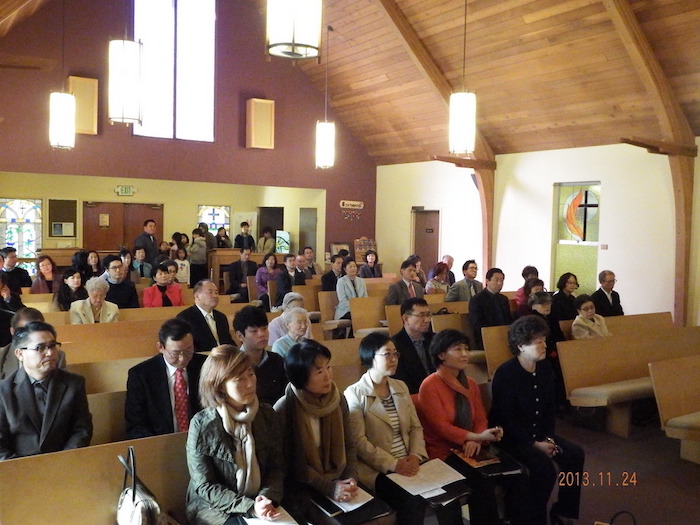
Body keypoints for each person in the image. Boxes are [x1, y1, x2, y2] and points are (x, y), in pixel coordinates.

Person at [345, 333, 460, 525]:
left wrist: (415, 456)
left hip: (411, 462)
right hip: (380, 469)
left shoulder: (400, 386)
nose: (394, 359)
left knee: (450, 492)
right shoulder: (354, 393)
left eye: (395, 354)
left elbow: (415, 427)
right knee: (412, 501)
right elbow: (359, 442)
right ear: (370, 357)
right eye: (387, 354)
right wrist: (394, 464)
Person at [418, 329, 527, 525]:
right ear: (441, 355)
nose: (465, 354)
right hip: (444, 451)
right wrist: (476, 437)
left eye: (466, 349)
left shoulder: (470, 383)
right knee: (482, 480)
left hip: (470, 445)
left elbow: (480, 418)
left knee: (515, 472)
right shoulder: (430, 385)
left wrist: (477, 438)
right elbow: (442, 427)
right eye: (457, 349)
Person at [490, 315, 585, 525]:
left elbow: (550, 410)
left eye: (544, 340)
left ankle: (563, 511)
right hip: (513, 439)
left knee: (574, 454)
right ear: (521, 346)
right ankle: (534, 519)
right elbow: (506, 419)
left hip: (540, 435)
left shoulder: (545, 368)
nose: (544, 346)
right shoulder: (506, 374)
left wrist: (548, 439)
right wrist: (535, 444)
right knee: (544, 470)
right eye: (538, 342)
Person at [186, 345, 284, 524]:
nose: (250, 383)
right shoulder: (202, 424)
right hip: (214, 507)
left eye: (251, 374)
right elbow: (205, 485)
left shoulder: (267, 415)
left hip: (260, 501)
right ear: (220, 387)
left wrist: (265, 497)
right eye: (239, 379)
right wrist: (249, 507)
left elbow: (276, 467)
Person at [274, 340, 366, 524]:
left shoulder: (338, 399)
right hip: (303, 484)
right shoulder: (284, 409)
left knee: (377, 515)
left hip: (339, 475)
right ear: (300, 377)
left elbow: (349, 444)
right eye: (319, 371)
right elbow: (290, 463)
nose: (327, 376)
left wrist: (350, 478)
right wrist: (329, 488)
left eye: (328, 367)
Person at [0, 321, 92, 459]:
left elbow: (81, 430)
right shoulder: (3, 391)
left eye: (52, 346)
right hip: (19, 466)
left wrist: (64, 462)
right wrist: (22, 468)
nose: (49, 353)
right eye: (40, 347)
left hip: (65, 463)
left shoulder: (74, 384)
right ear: (20, 354)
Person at [125, 318, 207, 439]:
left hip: (203, 440)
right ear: (160, 347)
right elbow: (136, 423)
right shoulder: (141, 375)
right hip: (160, 442)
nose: (182, 358)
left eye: (188, 351)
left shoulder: (206, 366)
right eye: (175, 353)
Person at [233, 305, 287, 406]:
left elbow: (286, 397)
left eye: (264, 328)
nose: (262, 334)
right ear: (240, 336)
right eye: (254, 331)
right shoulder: (233, 365)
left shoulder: (277, 361)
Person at [0, 308, 67, 380]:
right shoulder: (2, 355)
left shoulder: (57, 355)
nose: (32, 336)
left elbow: (63, 383)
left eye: (38, 329)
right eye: (25, 332)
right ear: (13, 331)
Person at [177, 280, 235, 352]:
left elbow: (228, 341)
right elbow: (186, 347)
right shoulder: (185, 318)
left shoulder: (221, 317)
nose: (215, 296)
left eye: (216, 293)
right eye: (210, 292)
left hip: (223, 357)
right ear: (197, 296)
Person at [391, 298, 434, 394]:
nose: (427, 320)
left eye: (428, 315)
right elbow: (399, 380)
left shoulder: (435, 339)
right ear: (406, 318)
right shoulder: (394, 345)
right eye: (421, 315)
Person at [468, 267, 512, 350]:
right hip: (486, 338)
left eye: (502, 280)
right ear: (487, 281)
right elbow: (477, 324)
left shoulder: (504, 299)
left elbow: (508, 319)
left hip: (504, 336)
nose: (500, 283)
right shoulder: (477, 300)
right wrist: (495, 333)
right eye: (496, 280)